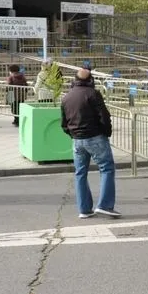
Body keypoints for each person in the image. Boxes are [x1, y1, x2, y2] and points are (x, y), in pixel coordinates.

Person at [61, 68, 119, 220]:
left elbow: (64, 122)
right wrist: (107, 132)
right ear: (90, 80)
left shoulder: (66, 97)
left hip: (76, 140)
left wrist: (72, 134)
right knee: (106, 168)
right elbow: (104, 116)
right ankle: (105, 205)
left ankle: (84, 209)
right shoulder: (93, 94)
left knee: (80, 173)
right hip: (95, 136)